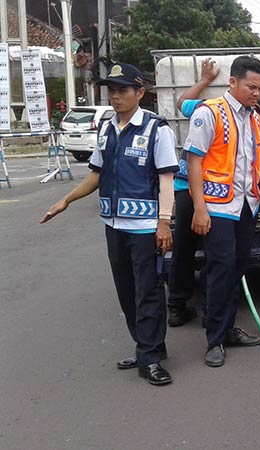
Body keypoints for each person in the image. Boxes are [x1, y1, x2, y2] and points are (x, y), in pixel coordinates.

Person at [41, 63, 178, 386]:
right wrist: (66, 200)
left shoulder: (157, 130)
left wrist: (164, 223)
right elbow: (96, 175)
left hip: (145, 227)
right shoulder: (106, 128)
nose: (115, 97)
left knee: (148, 292)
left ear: (140, 93)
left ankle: (152, 358)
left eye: (123, 90)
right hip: (114, 225)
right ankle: (147, 346)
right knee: (127, 292)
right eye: (111, 91)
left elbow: (167, 180)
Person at [167, 58, 260, 328]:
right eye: (252, 89)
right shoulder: (210, 111)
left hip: (233, 200)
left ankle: (215, 316)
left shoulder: (252, 119)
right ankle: (179, 303)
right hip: (191, 189)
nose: (255, 97)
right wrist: (204, 81)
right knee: (188, 249)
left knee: (225, 263)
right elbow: (182, 106)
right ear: (234, 83)